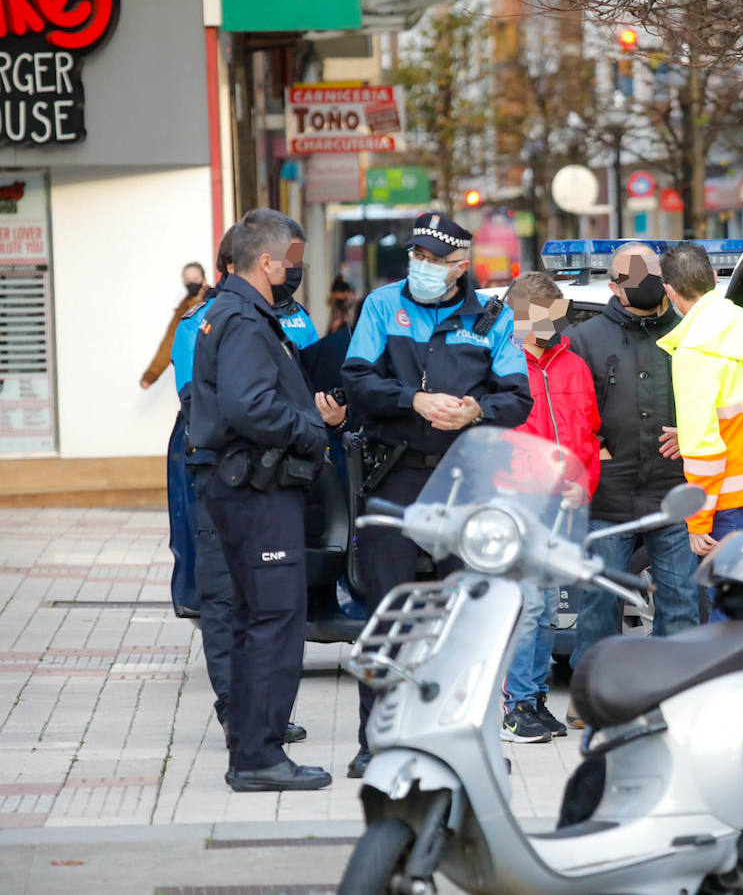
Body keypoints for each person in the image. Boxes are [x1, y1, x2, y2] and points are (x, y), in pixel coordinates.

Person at [342, 211, 532, 777]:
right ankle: (376, 739)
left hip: (463, 478)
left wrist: (478, 409)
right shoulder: (381, 305)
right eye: (416, 257)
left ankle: (459, 737)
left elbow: (517, 397)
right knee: (386, 614)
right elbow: (357, 381)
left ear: (460, 266)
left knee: (467, 613)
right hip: (396, 475)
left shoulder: (491, 317)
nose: (421, 267)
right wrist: (413, 401)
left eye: (433, 260)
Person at [187, 208, 332, 791]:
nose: (294, 270)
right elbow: (249, 406)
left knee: (255, 623)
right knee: (274, 623)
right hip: (258, 492)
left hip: (244, 488)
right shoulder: (245, 320)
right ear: (269, 262)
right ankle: (261, 758)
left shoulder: (225, 313)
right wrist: (309, 429)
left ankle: (251, 751)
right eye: (291, 261)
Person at [563, 242, 702, 728]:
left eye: (652, 271)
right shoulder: (584, 339)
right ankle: (590, 697)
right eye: (633, 274)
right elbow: (572, 406)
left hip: (674, 491)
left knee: (681, 598)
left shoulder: (689, 333)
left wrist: (694, 435)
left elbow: (709, 399)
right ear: (613, 286)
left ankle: (671, 695)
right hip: (609, 493)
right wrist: (589, 447)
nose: (644, 280)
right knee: (599, 601)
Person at [502, 271, 600, 743]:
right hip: (518, 501)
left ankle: (534, 697)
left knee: (546, 611)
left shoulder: (573, 367)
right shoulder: (500, 365)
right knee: (528, 605)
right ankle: (515, 705)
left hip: (564, 504)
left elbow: (588, 436)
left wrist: (584, 482)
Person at [658, 242, 743, 562]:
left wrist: (698, 520)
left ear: (669, 290)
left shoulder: (693, 351)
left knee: (734, 601)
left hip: (730, 500)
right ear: (713, 277)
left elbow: (704, 447)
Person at [140, 261, 207, 389]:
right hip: (195, 376)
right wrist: (151, 375)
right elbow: (169, 343)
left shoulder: (217, 301)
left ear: (203, 279)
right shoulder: (182, 311)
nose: (191, 283)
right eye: (187, 280)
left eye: (194, 279)